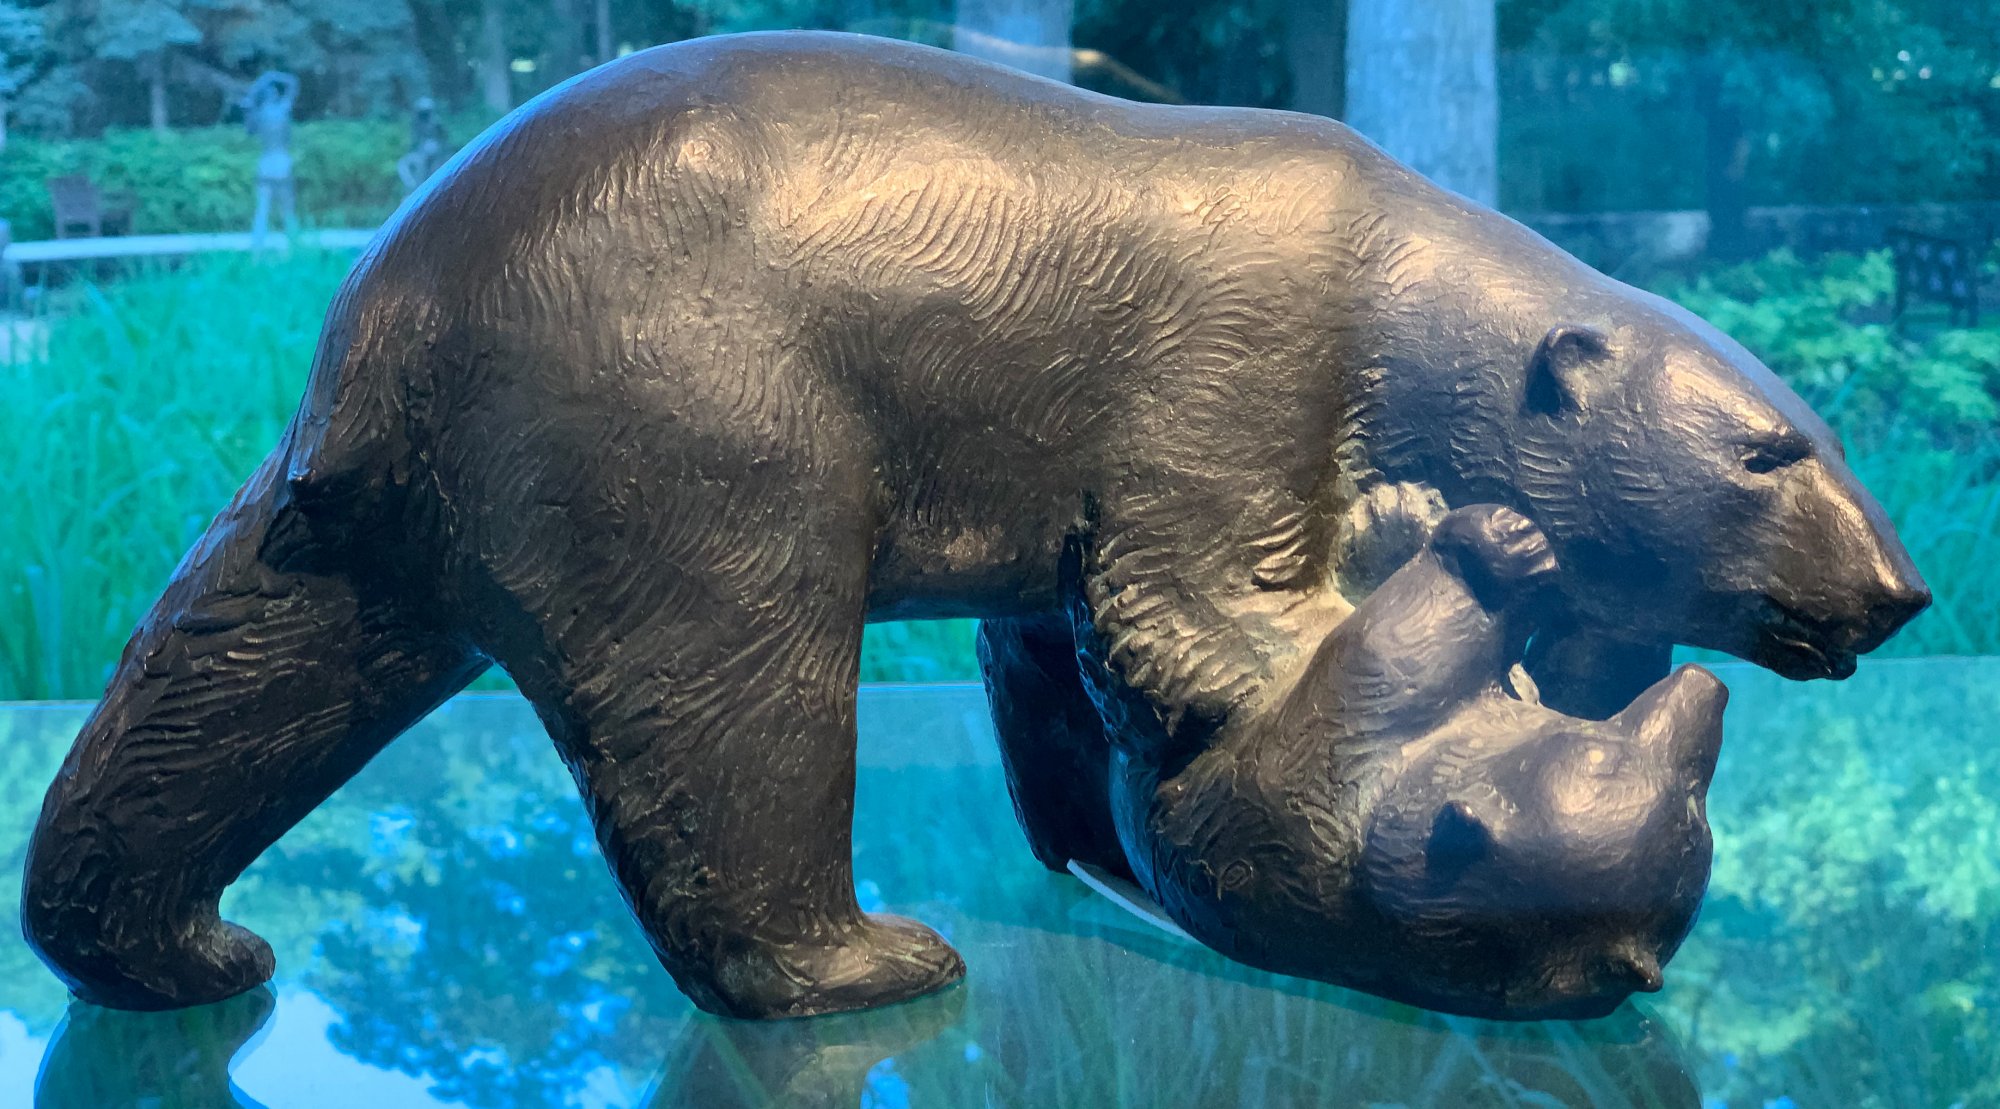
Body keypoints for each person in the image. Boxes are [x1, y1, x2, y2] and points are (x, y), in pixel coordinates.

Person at [242, 71, 300, 248]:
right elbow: (293, 83)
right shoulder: (282, 110)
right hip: (281, 162)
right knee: (286, 207)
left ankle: (257, 248)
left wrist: (261, 81)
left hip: (267, 163)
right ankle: (293, 244)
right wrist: (272, 76)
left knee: (263, 208)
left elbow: (249, 128)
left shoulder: (259, 115)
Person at [396, 97, 449, 192]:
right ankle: (412, 185)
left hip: (435, 149)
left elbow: (443, 140)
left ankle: (423, 184)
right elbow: (413, 142)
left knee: (427, 156)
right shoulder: (416, 124)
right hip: (420, 151)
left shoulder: (436, 122)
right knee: (403, 164)